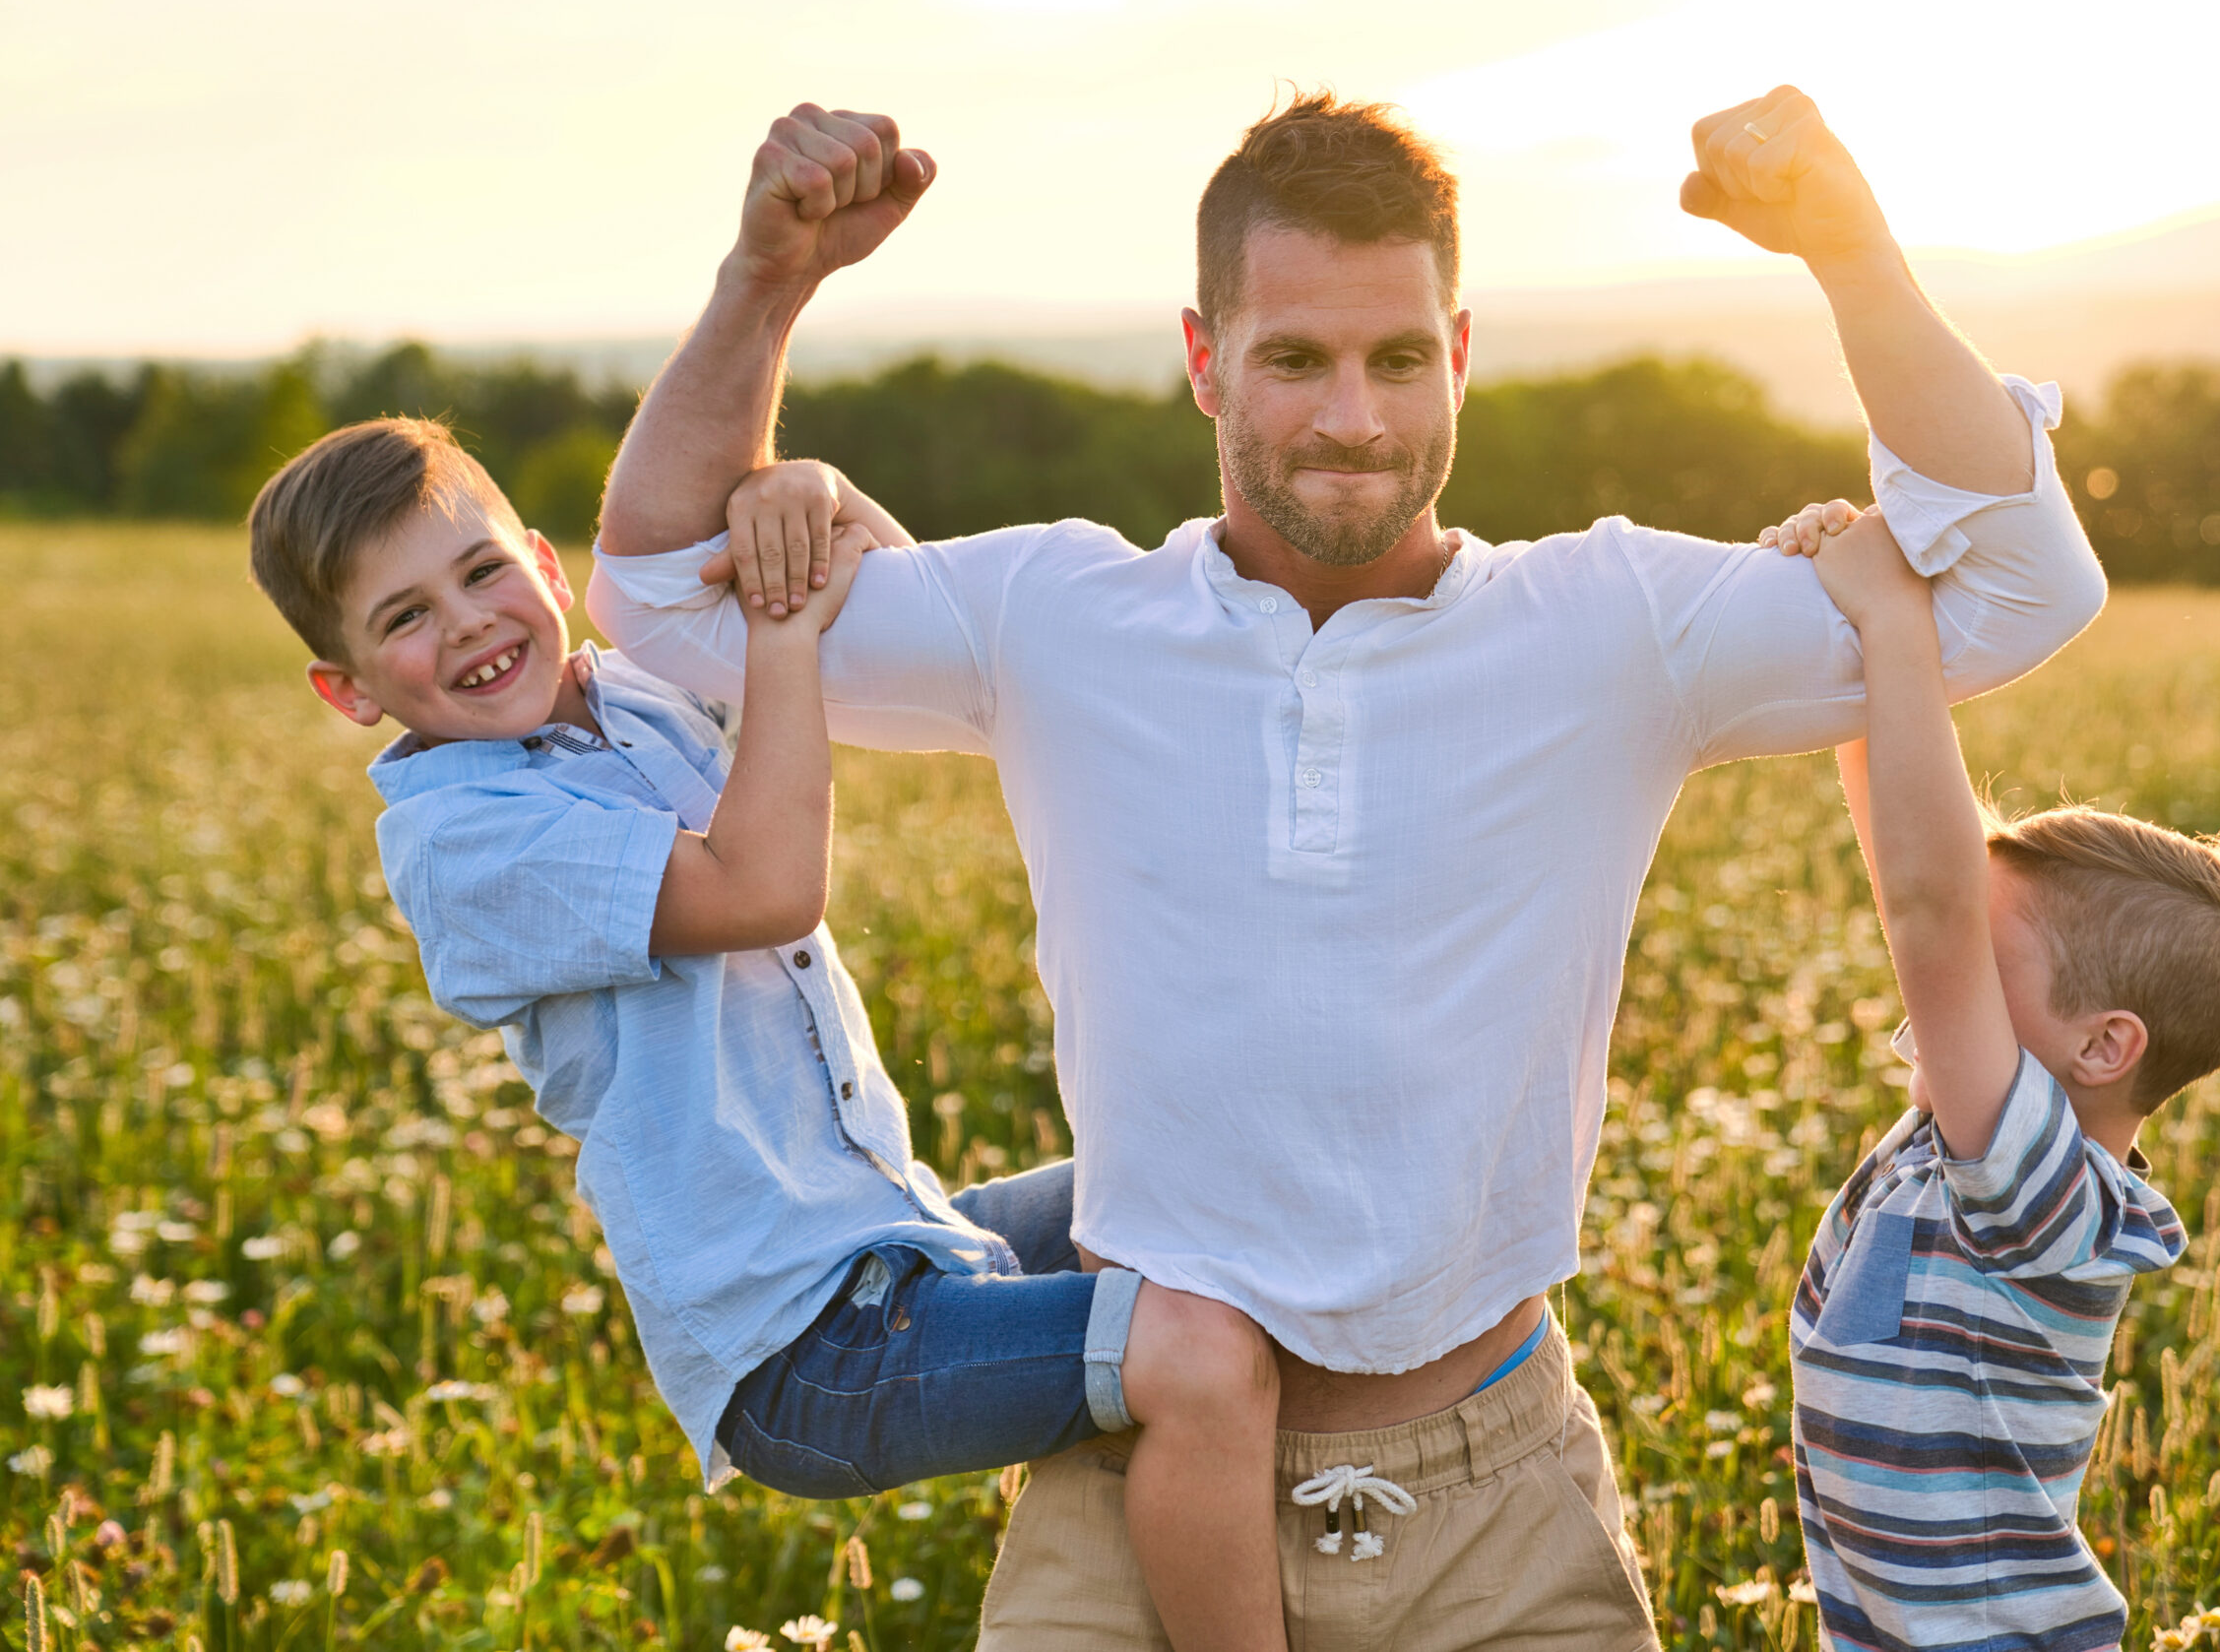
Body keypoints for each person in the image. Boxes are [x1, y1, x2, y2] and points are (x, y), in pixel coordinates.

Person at [588, 87, 2111, 1648]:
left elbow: (2018, 589)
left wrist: (1848, 250)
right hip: (1135, 1491)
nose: (1354, 420)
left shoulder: (1614, 627)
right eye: (1294, 359)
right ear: (1203, 359)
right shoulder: (1053, 615)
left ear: (1460, 355)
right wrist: (767, 285)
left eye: (1398, 358)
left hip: (1497, 1516)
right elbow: (657, 598)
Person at [243, 417, 1293, 1652]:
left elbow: (905, 636)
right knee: (1202, 1357)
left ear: (540, 559)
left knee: (1213, 1168)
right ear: (350, 689)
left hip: (907, 1233)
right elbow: (762, 886)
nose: (468, 622)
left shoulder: (626, 697)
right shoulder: (463, 843)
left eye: (479, 572)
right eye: (404, 616)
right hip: (805, 1352)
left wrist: (818, 499)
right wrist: (780, 633)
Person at [1761, 501, 2220, 1649]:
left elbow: (1928, 907)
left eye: (1977, 960)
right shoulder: (1981, 1140)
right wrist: (1851, 635)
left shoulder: (2038, 1191)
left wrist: (1896, 615)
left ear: (2103, 1045)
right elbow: (1916, 859)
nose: (1932, 974)